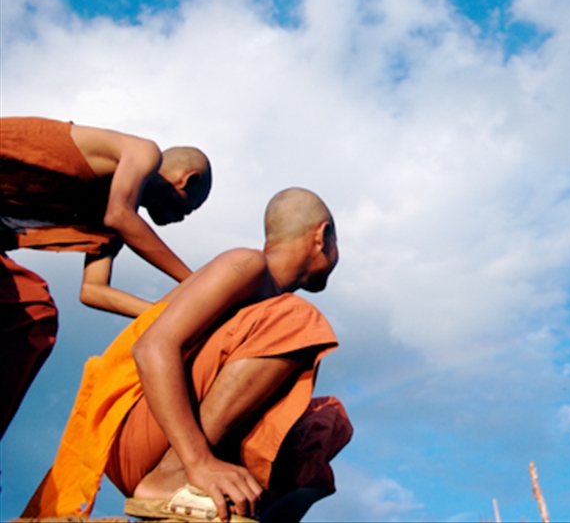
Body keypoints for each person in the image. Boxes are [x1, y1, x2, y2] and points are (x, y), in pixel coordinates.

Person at [23, 187, 352, 523]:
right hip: (146, 434)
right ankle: (171, 477)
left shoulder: (266, 307)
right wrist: (197, 461)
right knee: (297, 317)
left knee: (329, 422)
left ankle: (235, 511)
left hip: (189, 437)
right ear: (322, 235)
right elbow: (151, 347)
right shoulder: (248, 264)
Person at [1, 116, 212, 439]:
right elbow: (120, 215)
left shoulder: (105, 220)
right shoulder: (142, 152)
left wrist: (173, 314)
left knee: (33, 314)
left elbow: (94, 290)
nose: (182, 219)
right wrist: (198, 283)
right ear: (188, 179)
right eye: (191, 208)